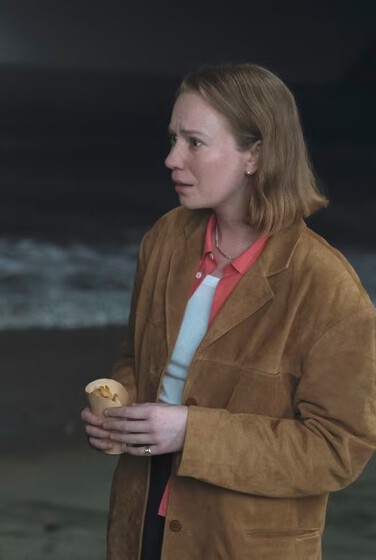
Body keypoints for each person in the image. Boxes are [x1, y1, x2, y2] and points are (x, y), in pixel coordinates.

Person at [81, 62, 376, 559]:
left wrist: (190, 432)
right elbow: (135, 355)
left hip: (241, 540)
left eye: (194, 142)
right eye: (173, 138)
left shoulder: (327, 288)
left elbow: (337, 450)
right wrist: (121, 411)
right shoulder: (165, 239)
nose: (172, 158)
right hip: (140, 514)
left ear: (255, 155)